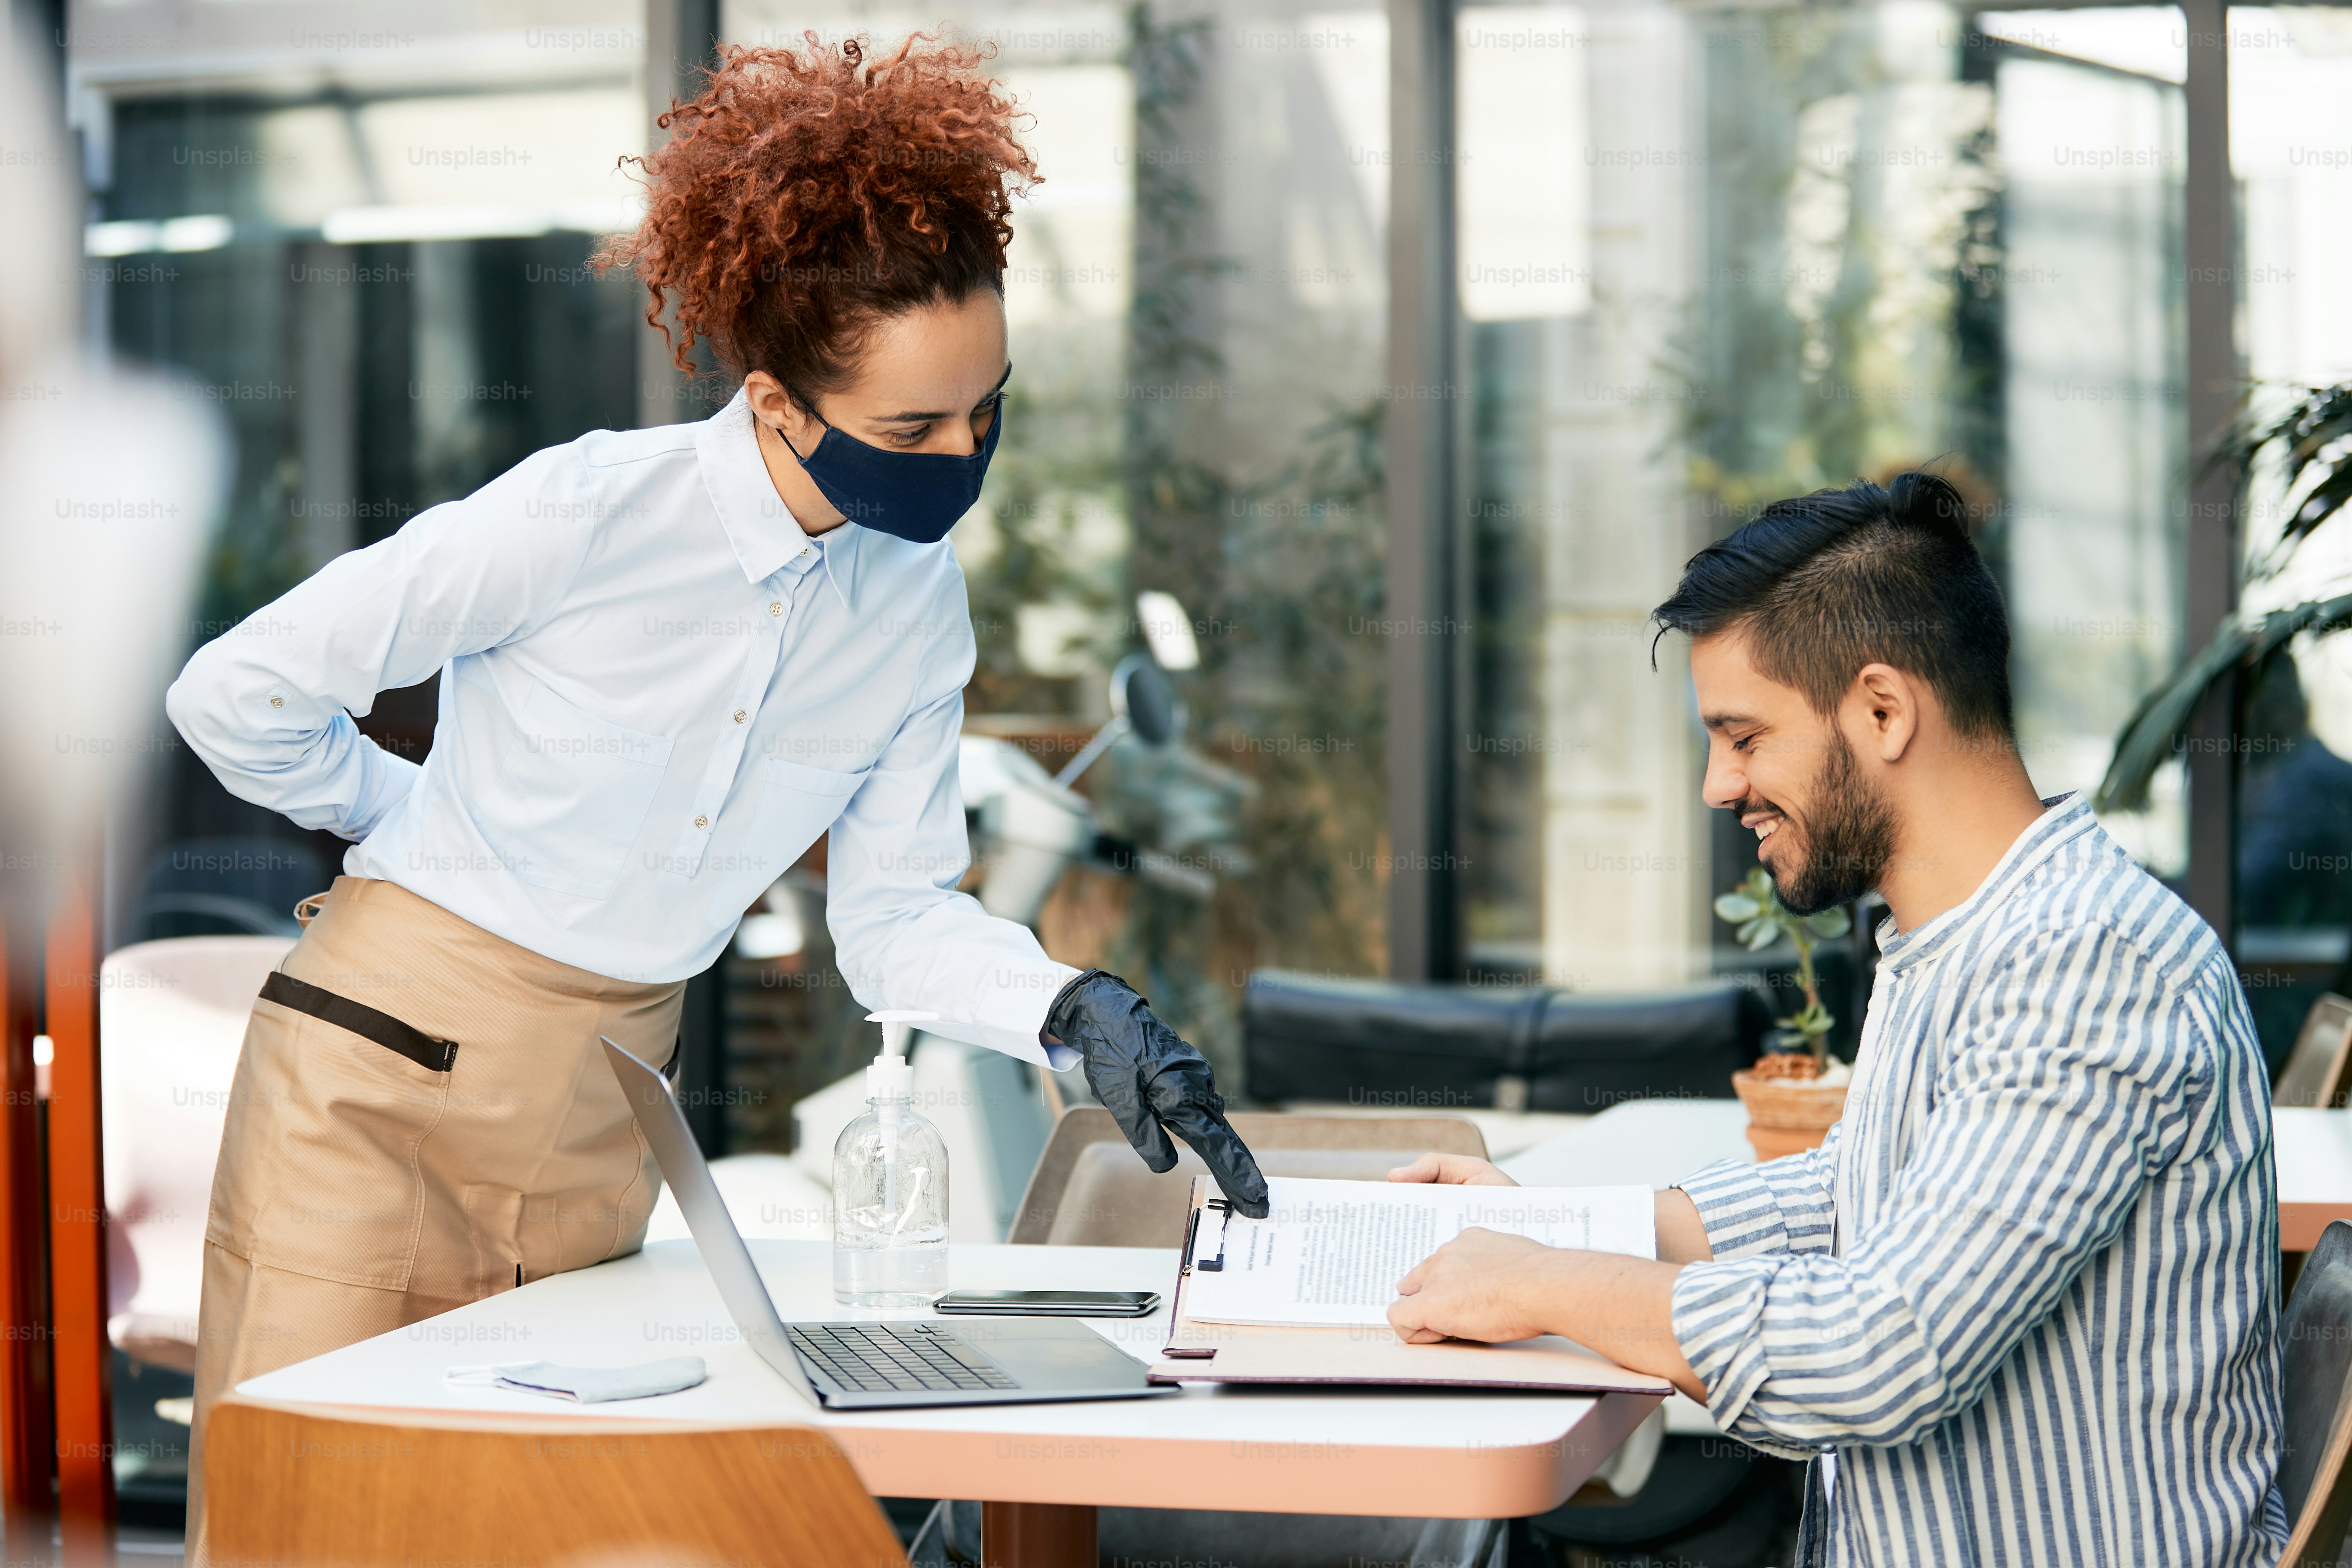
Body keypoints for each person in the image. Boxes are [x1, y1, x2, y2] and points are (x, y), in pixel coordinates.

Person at [165, 35, 1266, 1560]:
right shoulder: (586, 512)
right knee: (320, 1522)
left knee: (563, 1535)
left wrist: (1074, 1005)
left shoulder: (913, 608)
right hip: (374, 1095)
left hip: (603, 1111)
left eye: (985, 412)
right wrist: (404, 824)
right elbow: (235, 690)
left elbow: (888, 918)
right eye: (910, 430)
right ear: (771, 401)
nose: (961, 461)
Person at [1385, 472, 2283, 1566]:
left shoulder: (2087, 961)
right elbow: (1858, 1195)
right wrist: (1570, 1227)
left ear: (1883, 710)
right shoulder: (1967, 938)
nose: (1719, 785)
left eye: (1744, 736)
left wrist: (1541, 1282)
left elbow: (1880, 1351)